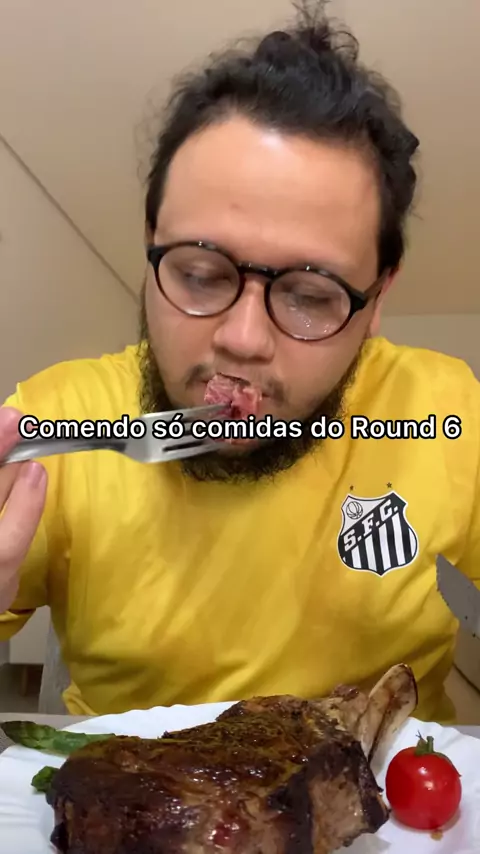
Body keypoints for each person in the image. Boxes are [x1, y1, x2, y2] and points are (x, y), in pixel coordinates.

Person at [0, 1, 478, 723]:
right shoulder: (57, 430)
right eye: (199, 274)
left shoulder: (449, 417)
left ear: (378, 296)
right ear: (150, 243)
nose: (244, 338)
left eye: (309, 296)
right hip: (127, 789)